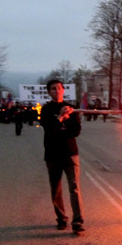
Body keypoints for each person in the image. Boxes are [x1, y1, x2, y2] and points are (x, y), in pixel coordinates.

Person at [41, 80, 85, 234]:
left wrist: (67, 119)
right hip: (53, 155)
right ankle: (61, 218)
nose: (57, 90)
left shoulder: (71, 109)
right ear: (49, 92)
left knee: (74, 188)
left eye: (60, 88)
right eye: (53, 88)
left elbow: (75, 131)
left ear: (63, 90)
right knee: (56, 189)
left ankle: (78, 221)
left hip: (70, 154)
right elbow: (50, 129)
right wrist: (60, 117)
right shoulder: (46, 110)